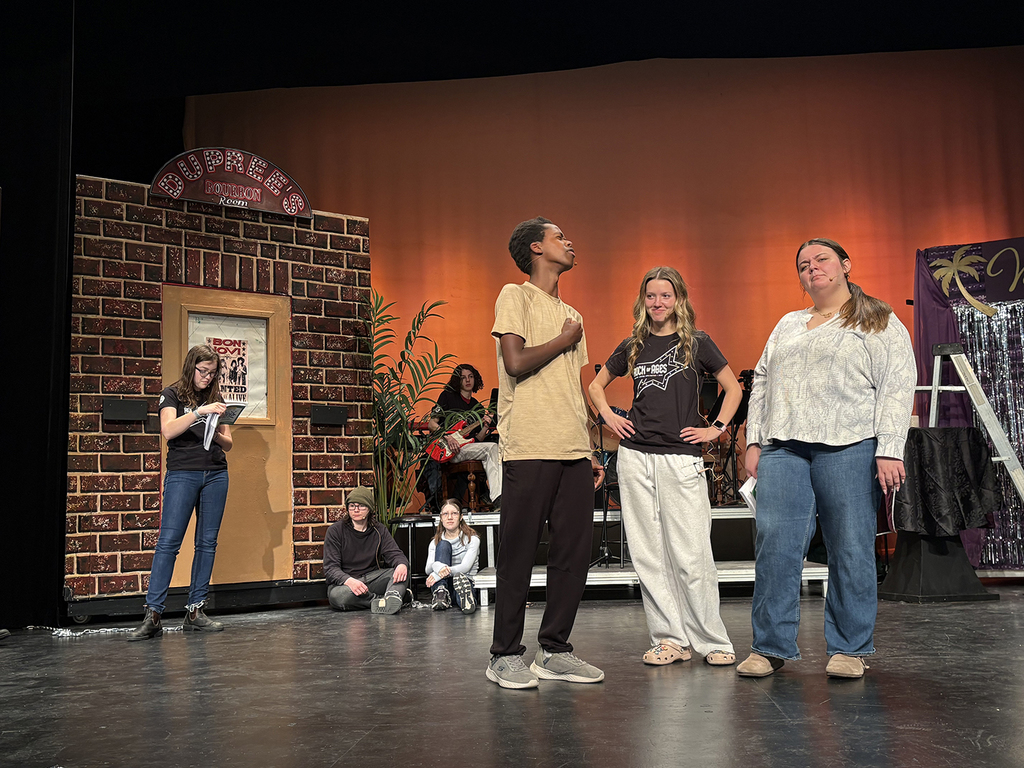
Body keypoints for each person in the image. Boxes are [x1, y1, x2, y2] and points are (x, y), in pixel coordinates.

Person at [737, 238, 915, 679]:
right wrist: (755, 440)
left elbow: (896, 384)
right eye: (803, 264)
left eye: (821, 260)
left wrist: (891, 447)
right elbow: (761, 379)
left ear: (845, 265)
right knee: (775, 544)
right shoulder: (789, 324)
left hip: (850, 445)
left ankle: (849, 648)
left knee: (850, 545)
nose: (812, 269)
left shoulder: (878, 319)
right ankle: (770, 646)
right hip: (785, 447)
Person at [589, 266, 741, 667]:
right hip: (635, 457)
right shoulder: (633, 344)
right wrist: (608, 415)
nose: (658, 303)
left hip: (680, 457)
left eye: (666, 296)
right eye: (651, 296)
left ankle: (711, 640)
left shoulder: (696, 342)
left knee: (692, 553)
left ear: (679, 300)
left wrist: (717, 429)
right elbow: (594, 386)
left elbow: (733, 387)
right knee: (648, 555)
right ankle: (669, 639)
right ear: (644, 301)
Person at [486, 216, 606, 689]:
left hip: (572, 448)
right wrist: (564, 339)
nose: (569, 241)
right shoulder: (514, 295)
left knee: (574, 554)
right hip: (530, 445)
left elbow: (573, 389)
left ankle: (554, 650)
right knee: (519, 552)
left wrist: (591, 449)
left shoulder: (573, 313)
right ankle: (503, 655)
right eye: (560, 236)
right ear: (536, 248)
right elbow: (514, 363)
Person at [129, 344, 233, 641]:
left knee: (207, 543)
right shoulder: (172, 394)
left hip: (215, 473)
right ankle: (154, 614)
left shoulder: (216, 398)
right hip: (182, 473)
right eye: (203, 372)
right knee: (169, 542)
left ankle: (195, 611)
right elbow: (169, 430)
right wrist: (199, 413)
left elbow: (228, 444)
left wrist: (221, 428)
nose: (207, 378)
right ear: (191, 368)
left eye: (213, 373)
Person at [322, 486, 410, 614]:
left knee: (401, 569)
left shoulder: (379, 530)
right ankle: (383, 600)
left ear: (369, 509)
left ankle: (392, 595)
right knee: (339, 597)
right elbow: (331, 569)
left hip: (371, 580)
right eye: (352, 506)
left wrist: (401, 565)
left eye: (361, 506)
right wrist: (349, 581)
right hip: (346, 584)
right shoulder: (335, 531)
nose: (356, 510)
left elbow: (395, 554)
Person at [427, 363, 501, 508]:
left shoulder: (477, 407)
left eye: (471, 377)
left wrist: (485, 427)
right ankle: (498, 498)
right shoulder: (447, 397)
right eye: (463, 378)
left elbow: (478, 439)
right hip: (449, 449)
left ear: (476, 380)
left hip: (467, 448)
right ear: (457, 381)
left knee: (496, 449)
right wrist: (448, 437)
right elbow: (431, 424)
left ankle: (498, 496)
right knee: (492, 448)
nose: (468, 380)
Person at [425, 499, 481, 614]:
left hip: (464, 580)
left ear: (461, 517)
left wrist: (437, 574)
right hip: (444, 583)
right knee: (443, 545)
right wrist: (438, 568)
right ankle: (441, 593)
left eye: (454, 513)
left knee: (461, 589)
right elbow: (428, 568)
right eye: (446, 514)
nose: (449, 517)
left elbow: (465, 567)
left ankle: (466, 600)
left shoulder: (472, 539)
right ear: (441, 518)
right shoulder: (435, 543)